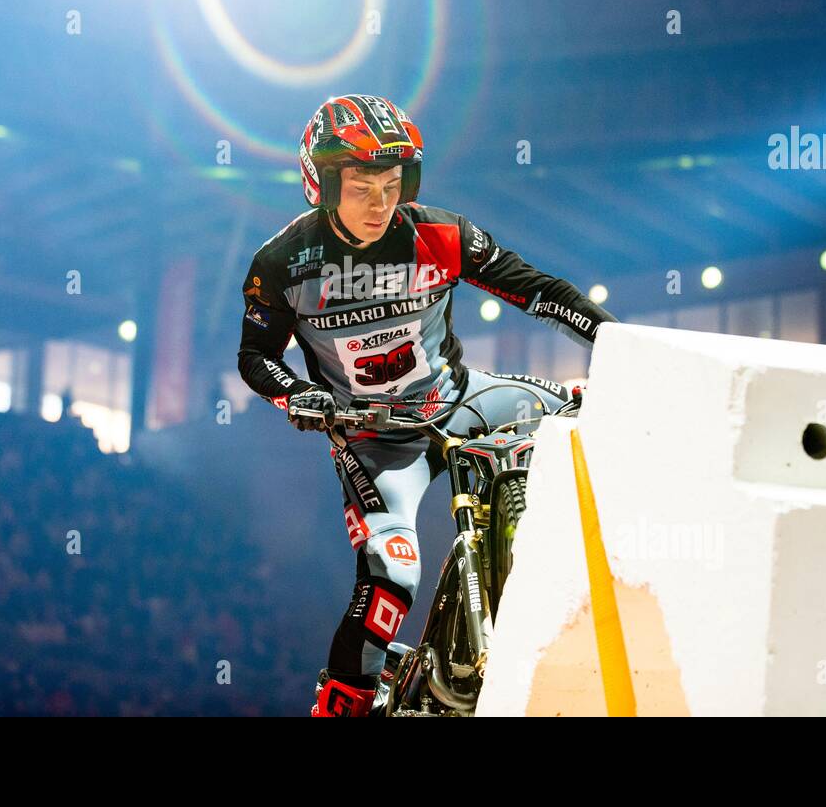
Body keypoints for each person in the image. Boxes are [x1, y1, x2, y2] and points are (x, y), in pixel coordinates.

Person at [236, 94, 617, 717]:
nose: (381, 204)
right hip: (373, 437)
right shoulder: (279, 263)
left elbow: (539, 292)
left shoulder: (443, 233)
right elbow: (256, 356)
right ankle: (344, 706)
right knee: (392, 578)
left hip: (461, 398)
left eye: (392, 184)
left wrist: (623, 347)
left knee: (592, 415)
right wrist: (295, 395)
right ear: (320, 183)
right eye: (361, 187)